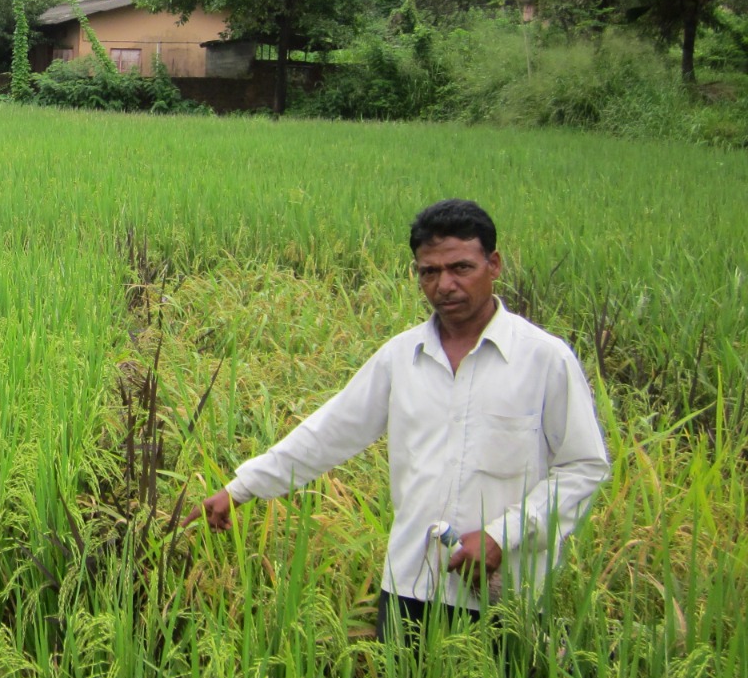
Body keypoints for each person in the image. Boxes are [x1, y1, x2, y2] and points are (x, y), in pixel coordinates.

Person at [185, 199, 609, 640]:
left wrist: (503, 535)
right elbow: (329, 432)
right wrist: (241, 488)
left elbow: (583, 466)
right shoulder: (402, 357)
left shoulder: (544, 359)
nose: (445, 285)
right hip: (410, 585)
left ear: (494, 264)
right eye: (429, 272)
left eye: (461, 268)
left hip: (503, 594)